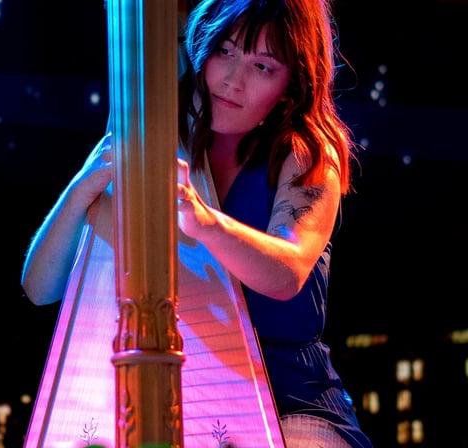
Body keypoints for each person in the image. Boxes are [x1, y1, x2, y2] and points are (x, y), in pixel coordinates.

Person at [21, 0, 373, 446]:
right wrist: (81, 190)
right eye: (224, 51)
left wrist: (204, 221)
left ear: (291, 83)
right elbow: (40, 288)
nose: (232, 80)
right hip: (190, 394)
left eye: (262, 66)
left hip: (292, 402)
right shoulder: (161, 138)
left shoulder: (305, 155)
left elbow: (287, 273)